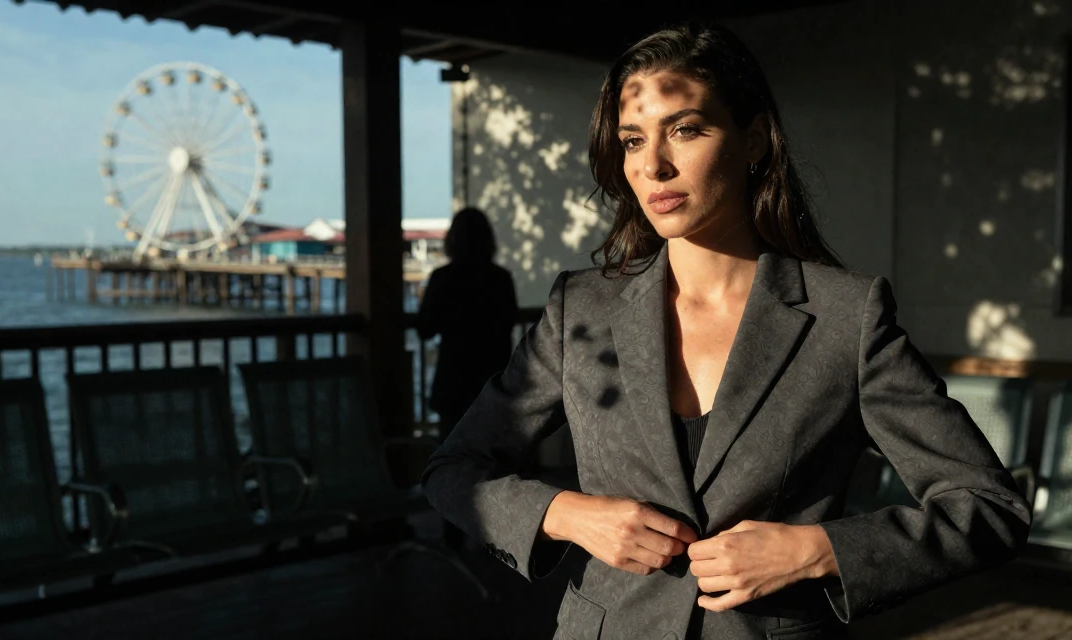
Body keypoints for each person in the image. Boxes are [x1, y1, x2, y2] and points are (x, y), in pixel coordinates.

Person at [422, 23, 1030, 640]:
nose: (653, 165)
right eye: (633, 140)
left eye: (685, 130)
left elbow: (985, 506)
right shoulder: (580, 310)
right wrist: (566, 514)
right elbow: (454, 467)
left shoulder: (845, 316)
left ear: (756, 139)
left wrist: (819, 551)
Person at [416, 206, 518, 550]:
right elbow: (506, 327)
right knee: (491, 460)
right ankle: (496, 536)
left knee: (451, 457)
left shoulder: (444, 278)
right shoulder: (500, 278)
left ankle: (452, 533)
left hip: (453, 380)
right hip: (491, 382)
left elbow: (425, 329)